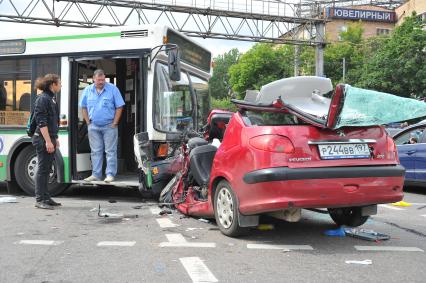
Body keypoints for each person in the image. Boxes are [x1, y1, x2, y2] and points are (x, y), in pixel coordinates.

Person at [80, 69, 125, 183]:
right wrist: (88, 122)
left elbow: (119, 106)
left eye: (103, 79)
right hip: (93, 126)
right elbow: (83, 107)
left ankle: (110, 174)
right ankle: (96, 174)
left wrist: (115, 123)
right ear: (93, 79)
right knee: (95, 151)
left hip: (109, 125)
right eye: (99, 80)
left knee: (110, 151)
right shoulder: (87, 90)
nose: (101, 82)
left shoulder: (113, 89)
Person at [32, 74, 62, 209]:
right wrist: (48, 141)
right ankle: (39, 200)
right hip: (42, 139)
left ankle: (46, 197)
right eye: (59, 83)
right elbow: (41, 122)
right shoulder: (43, 99)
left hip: (49, 138)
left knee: (47, 168)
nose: (61, 85)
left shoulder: (51, 98)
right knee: (43, 169)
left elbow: (52, 122)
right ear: (52, 84)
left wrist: (55, 139)